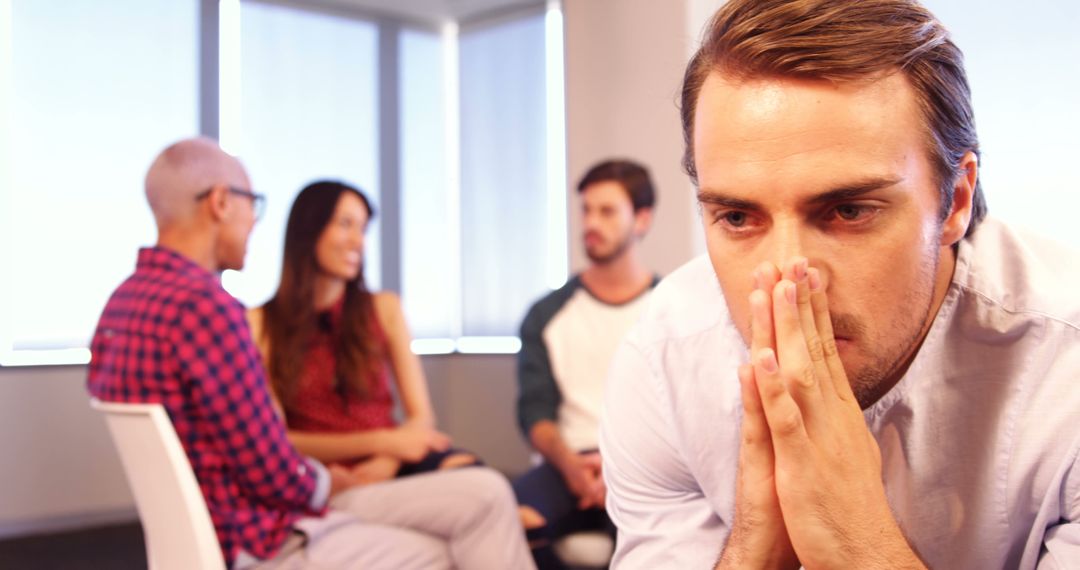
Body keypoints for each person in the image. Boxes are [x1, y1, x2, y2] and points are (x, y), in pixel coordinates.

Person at [599, 0, 1080, 568]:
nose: (788, 279)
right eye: (737, 217)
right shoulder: (665, 365)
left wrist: (859, 542)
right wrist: (755, 547)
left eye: (849, 211)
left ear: (954, 199)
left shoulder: (1065, 369)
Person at [88, 137, 535, 569]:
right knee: (458, 545)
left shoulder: (121, 304)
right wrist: (329, 482)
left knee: (484, 497)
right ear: (221, 202)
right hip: (263, 538)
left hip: (214, 531)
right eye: (252, 204)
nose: (253, 222)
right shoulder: (209, 309)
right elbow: (271, 468)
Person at [247, 180, 479, 483]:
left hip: (391, 460)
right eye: (345, 225)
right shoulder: (260, 323)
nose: (358, 242)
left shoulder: (384, 309)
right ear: (308, 230)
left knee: (474, 478)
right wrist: (382, 441)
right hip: (318, 470)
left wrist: (387, 461)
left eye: (363, 229)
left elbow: (422, 416)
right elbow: (277, 439)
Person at [513, 159, 659, 568]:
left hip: (645, 469)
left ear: (642, 219)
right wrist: (572, 467)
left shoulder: (671, 311)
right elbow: (533, 412)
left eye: (607, 211)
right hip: (567, 463)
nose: (591, 222)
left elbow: (682, 415)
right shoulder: (546, 314)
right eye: (586, 209)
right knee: (508, 519)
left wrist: (618, 469)